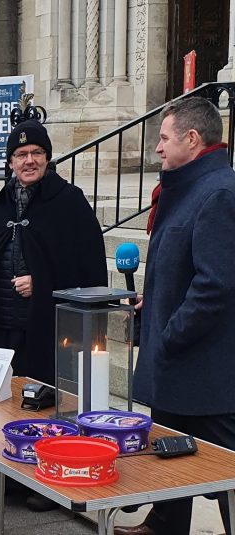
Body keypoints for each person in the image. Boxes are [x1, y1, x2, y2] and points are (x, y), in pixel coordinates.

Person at [0, 119, 108, 512]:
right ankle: (9, 473)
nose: (29, 161)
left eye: (36, 154)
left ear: (48, 157)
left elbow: (89, 270)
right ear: (10, 161)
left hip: (46, 327)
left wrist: (42, 283)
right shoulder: (0, 205)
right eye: (20, 155)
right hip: (1, 326)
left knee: (43, 405)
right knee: (1, 404)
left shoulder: (69, 202)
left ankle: (46, 478)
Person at [113, 98, 235, 535]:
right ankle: (163, 523)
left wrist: (170, 333)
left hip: (204, 373)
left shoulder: (218, 192)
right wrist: (157, 303)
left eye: (164, 138)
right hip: (179, 366)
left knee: (224, 472)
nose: (158, 149)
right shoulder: (186, 188)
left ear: (192, 138)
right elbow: (182, 269)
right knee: (170, 451)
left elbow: (216, 285)